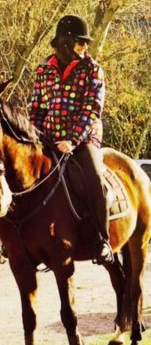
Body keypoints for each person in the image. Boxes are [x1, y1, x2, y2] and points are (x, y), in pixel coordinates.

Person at [29, 14, 113, 265]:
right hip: (49, 138)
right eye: (81, 42)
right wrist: (35, 136)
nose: (85, 47)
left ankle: (103, 240)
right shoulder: (44, 70)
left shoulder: (93, 70)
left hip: (84, 139)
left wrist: (73, 141)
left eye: (85, 44)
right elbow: (36, 108)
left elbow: (92, 110)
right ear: (65, 43)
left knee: (96, 178)